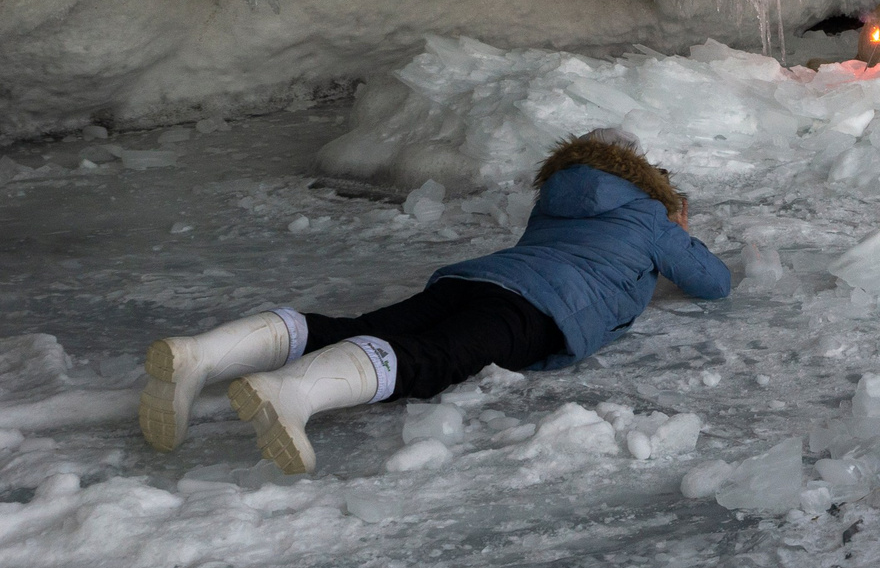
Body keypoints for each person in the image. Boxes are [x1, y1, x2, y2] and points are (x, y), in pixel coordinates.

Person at [137, 130, 730, 474]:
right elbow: (711, 281)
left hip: (475, 280)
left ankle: (202, 355)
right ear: (652, 185)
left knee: (358, 326)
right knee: (434, 359)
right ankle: (290, 393)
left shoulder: (558, 201)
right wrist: (678, 224)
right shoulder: (652, 217)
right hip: (539, 310)